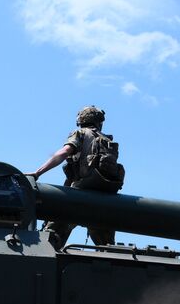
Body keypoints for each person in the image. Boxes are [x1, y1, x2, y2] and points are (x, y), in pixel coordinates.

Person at [32, 105, 125, 247]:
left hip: (79, 196)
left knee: (49, 240)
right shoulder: (106, 140)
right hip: (105, 199)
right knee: (107, 247)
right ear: (99, 122)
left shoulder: (80, 133)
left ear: (80, 120)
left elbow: (64, 152)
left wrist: (38, 172)